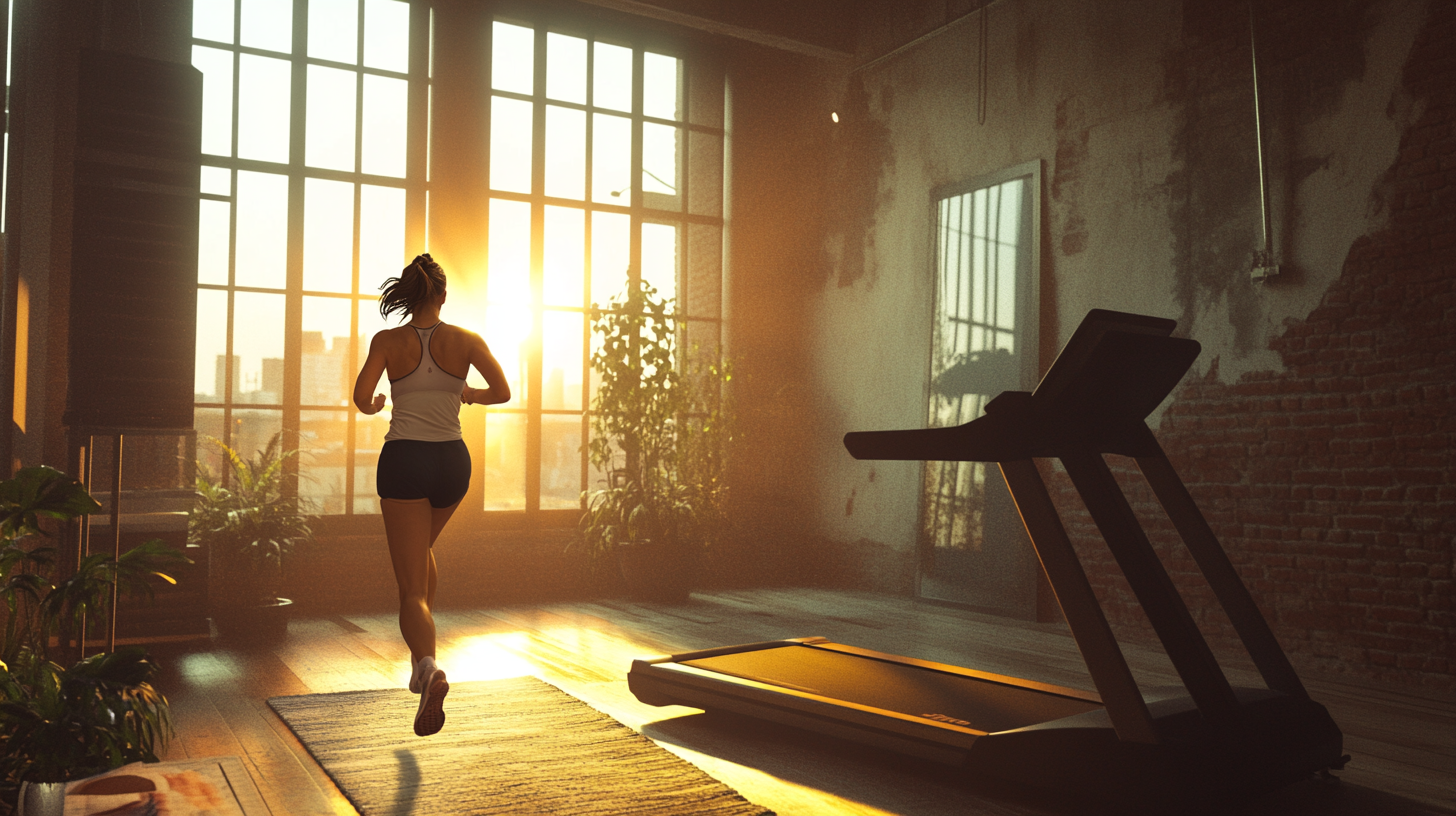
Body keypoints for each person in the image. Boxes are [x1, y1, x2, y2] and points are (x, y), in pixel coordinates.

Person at [352, 253, 510, 737]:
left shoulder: (387, 341)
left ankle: (426, 667)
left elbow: (361, 399)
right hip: (451, 464)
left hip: (404, 462)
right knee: (419, 553)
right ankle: (425, 660)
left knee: (412, 588)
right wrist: (468, 395)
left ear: (410, 294)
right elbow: (501, 391)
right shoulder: (466, 340)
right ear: (442, 295)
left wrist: (379, 402)